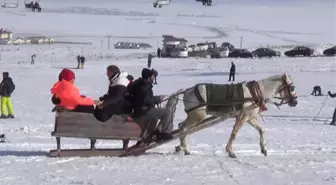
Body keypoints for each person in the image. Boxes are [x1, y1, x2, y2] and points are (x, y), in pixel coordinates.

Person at [125, 68, 173, 142]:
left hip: (141, 110)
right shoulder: (144, 87)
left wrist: (157, 98)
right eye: (152, 76)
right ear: (148, 77)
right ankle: (165, 133)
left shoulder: (141, 84)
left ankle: (158, 131)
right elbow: (146, 100)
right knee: (167, 111)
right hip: (144, 111)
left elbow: (146, 98)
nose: (154, 78)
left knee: (162, 112)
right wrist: (158, 99)